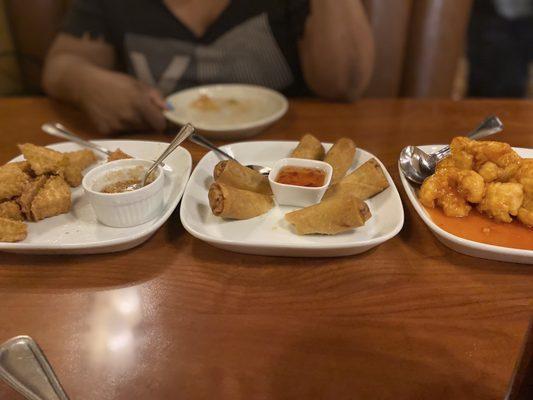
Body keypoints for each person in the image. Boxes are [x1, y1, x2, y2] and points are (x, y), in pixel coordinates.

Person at [42, 0, 374, 134]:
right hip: (159, 157)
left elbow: (344, 85)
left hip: (281, 154)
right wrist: (88, 84)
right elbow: (62, 64)